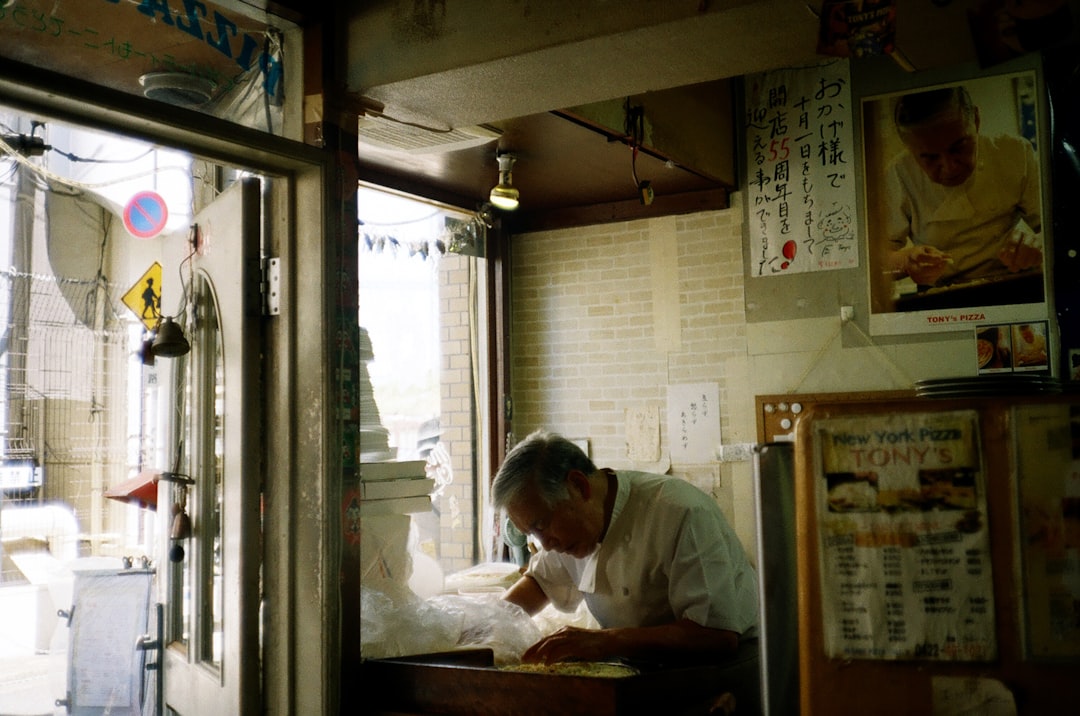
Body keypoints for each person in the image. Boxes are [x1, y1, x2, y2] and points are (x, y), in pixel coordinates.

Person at [492, 430, 759, 669]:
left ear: (579, 486)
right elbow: (539, 584)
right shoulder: (566, 530)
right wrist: (485, 629)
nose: (546, 544)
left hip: (722, 670)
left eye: (543, 526)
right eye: (532, 533)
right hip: (642, 667)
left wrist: (605, 641)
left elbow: (716, 636)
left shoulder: (681, 512)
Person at [883, 85, 1043, 289]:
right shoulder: (898, 174)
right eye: (930, 157)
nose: (949, 168)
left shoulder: (1014, 152)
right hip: (943, 293)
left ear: (975, 120)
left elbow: (1062, 228)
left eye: (958, 147)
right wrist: (905, 262)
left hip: (1016, 281)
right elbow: (877, 263)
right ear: (909, 147)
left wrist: (1039, 244)